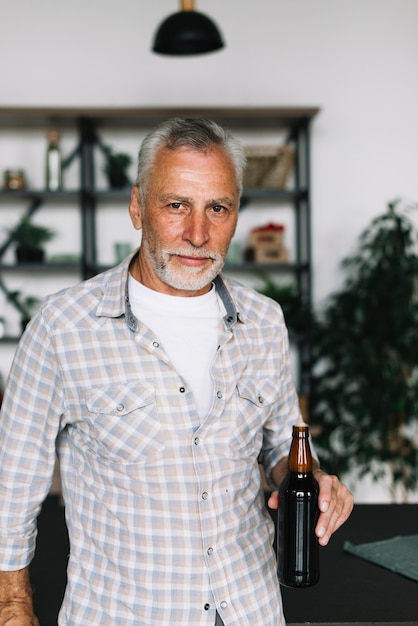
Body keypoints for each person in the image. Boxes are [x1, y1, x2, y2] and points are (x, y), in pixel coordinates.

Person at [0, 117, 353, 626]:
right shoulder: (62, 327)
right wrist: (13, 611)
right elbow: (11, 488)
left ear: (236, 213)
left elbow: (281, 449)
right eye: (176, 205)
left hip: (251, 610)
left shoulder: (264, 321)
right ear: (137, 206)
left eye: (217, 208)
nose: (197, 234)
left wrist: (313, 478)